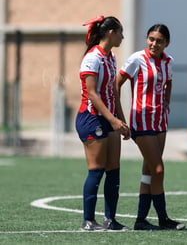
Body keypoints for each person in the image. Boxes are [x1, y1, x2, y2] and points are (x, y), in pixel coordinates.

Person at [116, 24, 185, 231]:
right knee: (158, 169)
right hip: (141, 121)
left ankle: (140, 220)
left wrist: (166, 102)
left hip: (160, 121)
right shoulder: (137, 59)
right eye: (151, 39)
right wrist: (119, 117)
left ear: (167, 43)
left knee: (149, 171)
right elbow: (116, 84)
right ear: (147, 39)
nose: (154, 44)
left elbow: (168, 82)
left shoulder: (168, 61)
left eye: (160, 41)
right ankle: (163, 218)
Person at [76, 15, 131, 231]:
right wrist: (112, 119)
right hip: (91, 118)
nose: (122, 37)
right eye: (120, 32)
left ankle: (110, 219)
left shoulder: (110, 57)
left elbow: (112, 93)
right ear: (111, 33)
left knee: (113, 170)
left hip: (108, 118)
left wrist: (122, 121)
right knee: (96, 170)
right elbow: (92, 94)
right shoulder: (93, 58)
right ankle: (88, 221)